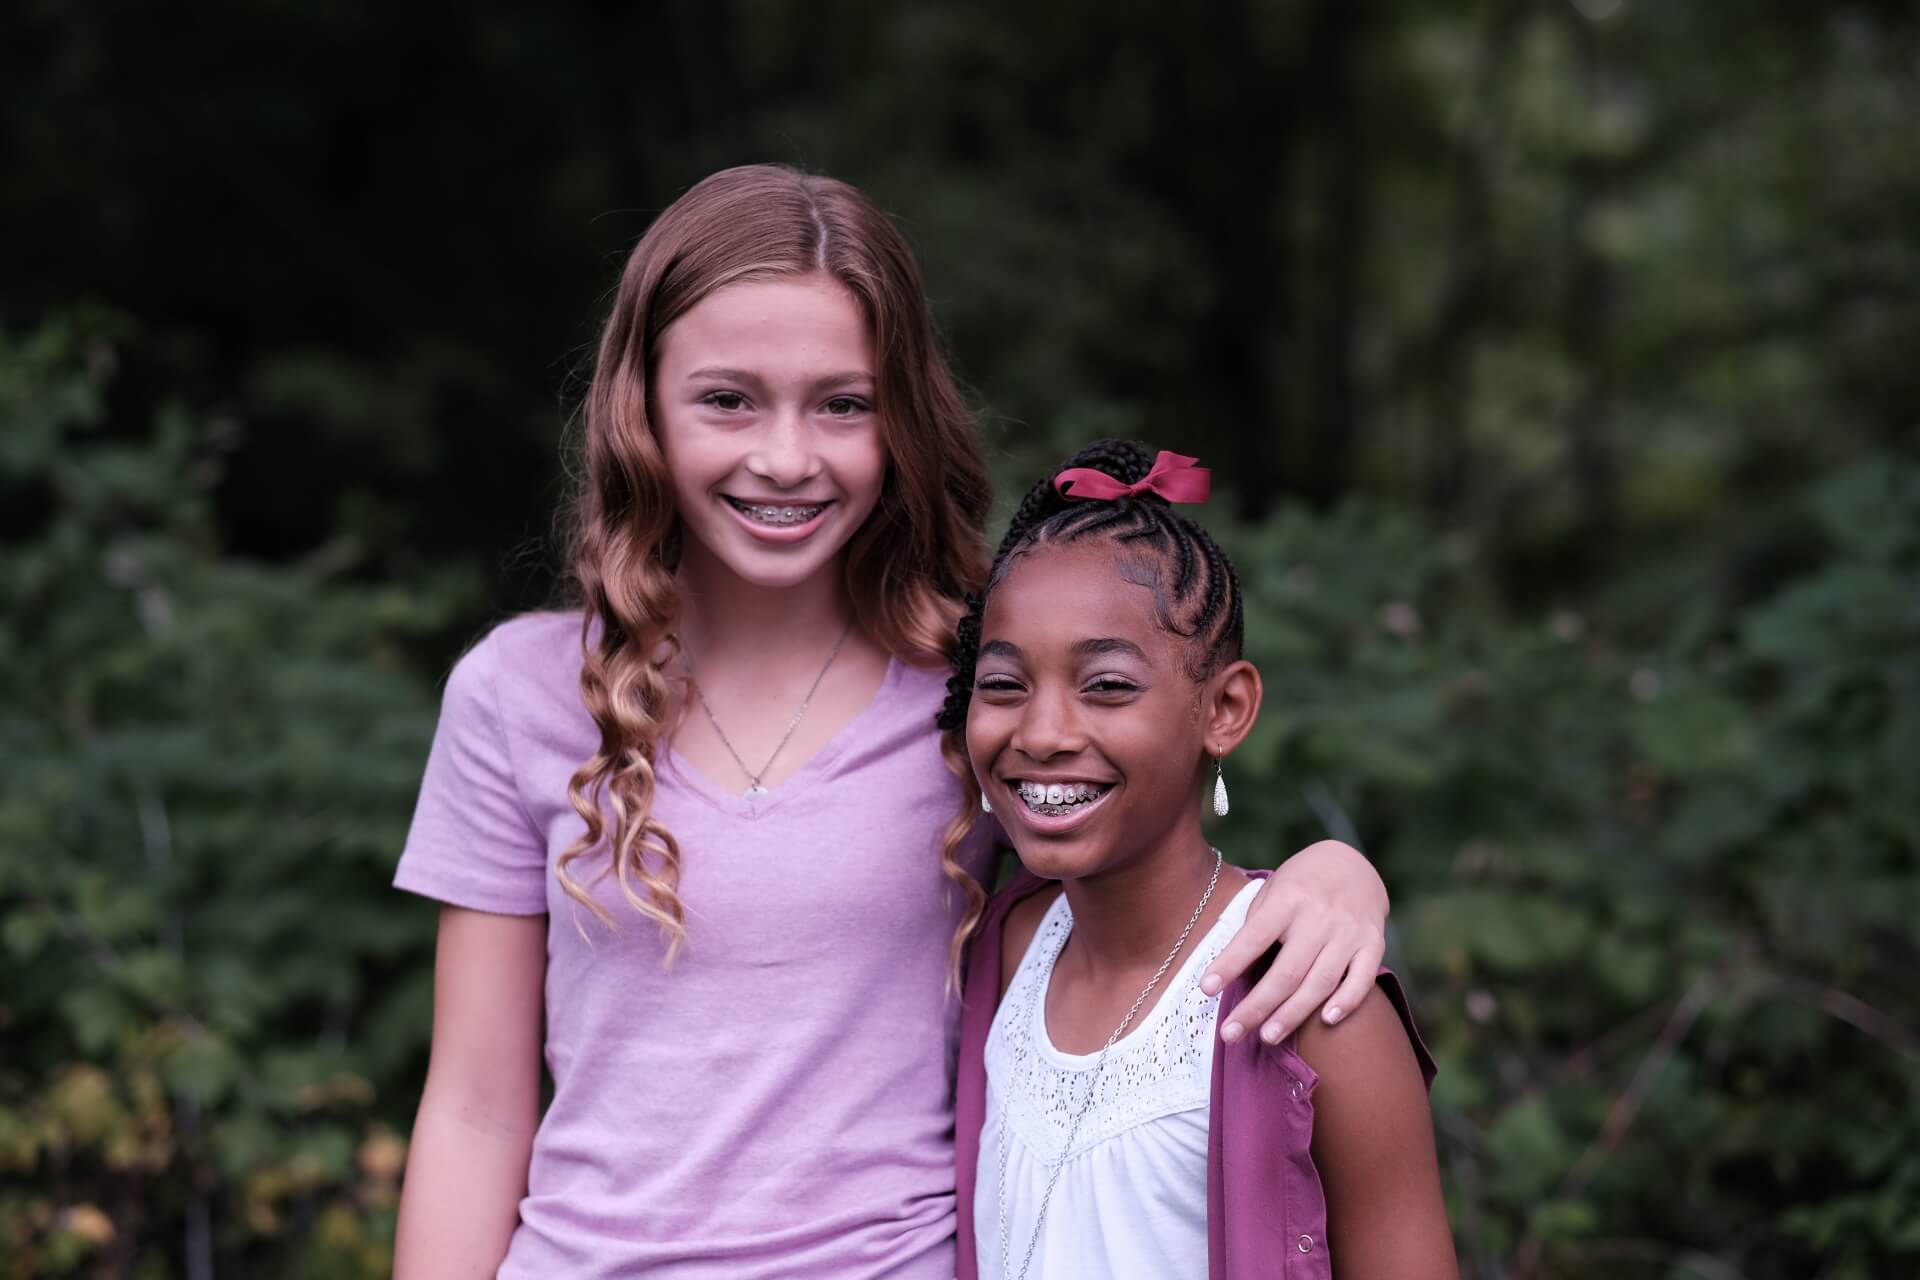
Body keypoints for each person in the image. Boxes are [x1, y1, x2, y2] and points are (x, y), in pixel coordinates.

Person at [390, 165, 1396, 1279]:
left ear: (903, 418)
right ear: (643, 407)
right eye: (728, 399)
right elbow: (476, 1109)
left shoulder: (980, 688)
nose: (785, 456)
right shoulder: (515, 693)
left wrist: (1339, 870)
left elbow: (1157, 866)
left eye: (843, 403)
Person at [948, 441, 1457, 1280]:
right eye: (1002, 686)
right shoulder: (1004, 948)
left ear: (1225, 709)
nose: (1040, 734)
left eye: (1106, 686)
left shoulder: (1313, 1003)